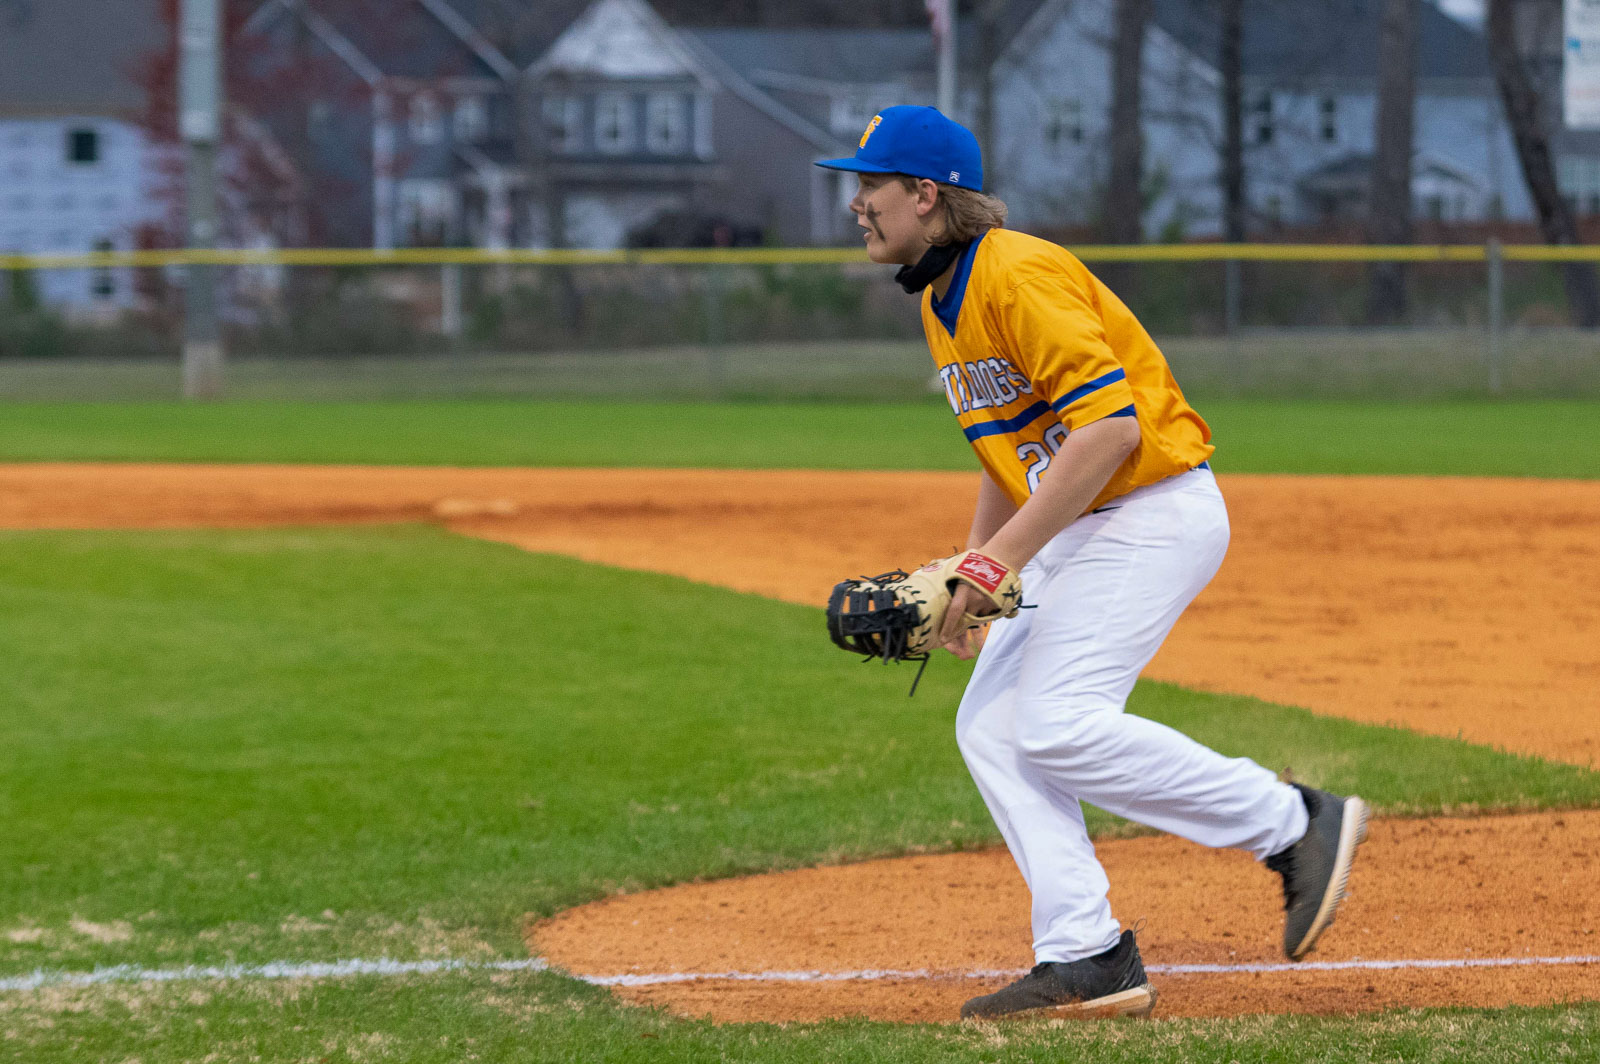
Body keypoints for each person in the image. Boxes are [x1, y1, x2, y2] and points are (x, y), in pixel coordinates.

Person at [816, 106, 1368, 1021]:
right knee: (992, 730)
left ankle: (1293, 824)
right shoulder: (942, 298)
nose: (856, 203)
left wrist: (992, 570)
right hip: (1085, 522)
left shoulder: (1016, 272)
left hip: (1151, 510)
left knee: (1056, 724)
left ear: (925, 194)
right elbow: (1008, 448)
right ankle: (1087, 955)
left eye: (870, 184)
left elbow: (1110, 431)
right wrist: (977, 566)